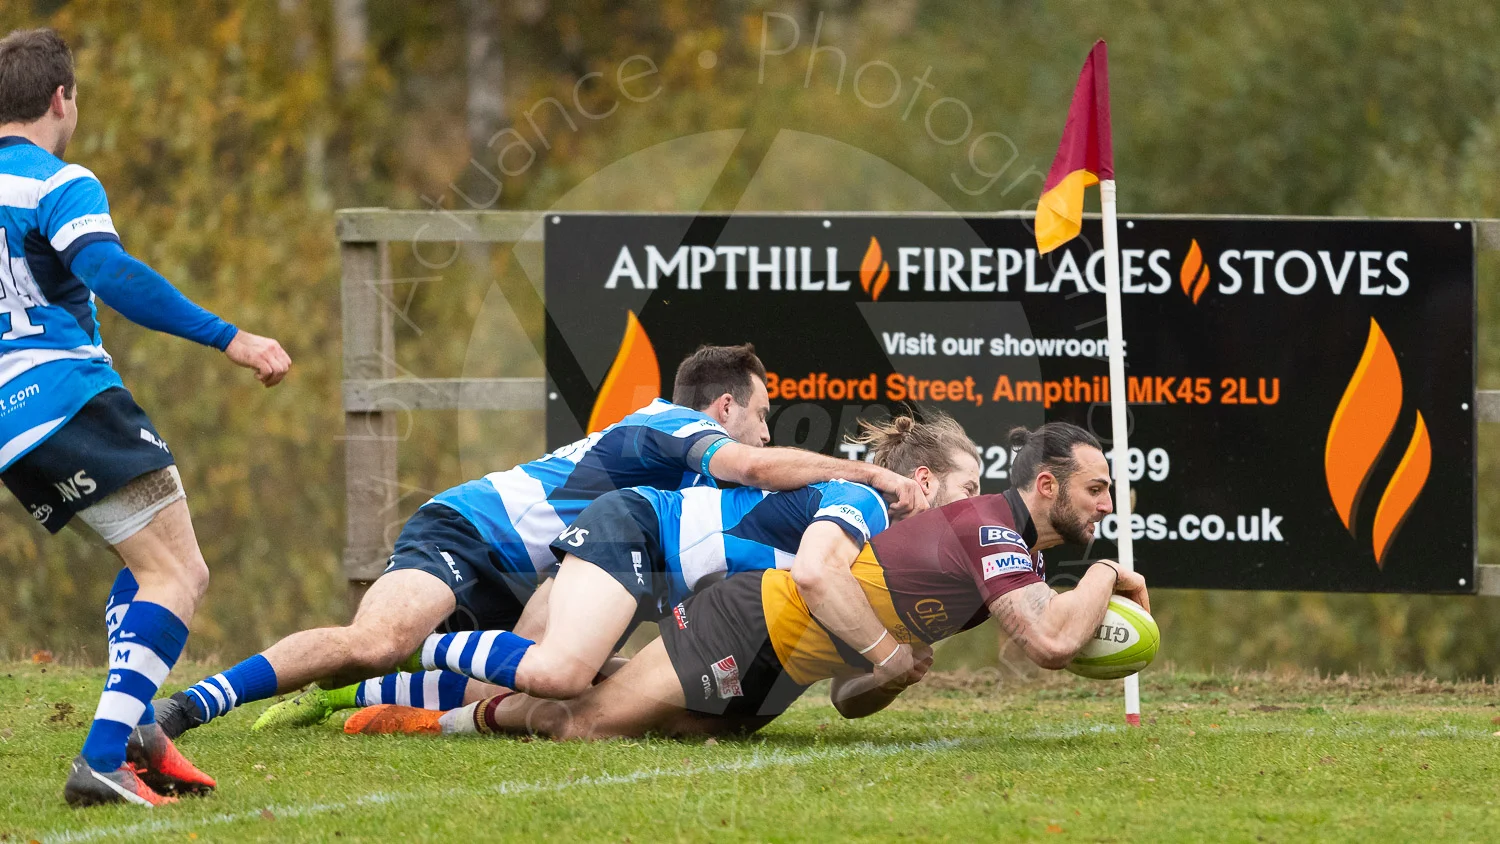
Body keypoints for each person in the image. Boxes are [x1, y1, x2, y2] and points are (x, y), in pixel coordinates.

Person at [160, 344, 927, 737]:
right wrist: (871, 476)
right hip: (470, 531)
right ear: (724, 406)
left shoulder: (698, 493)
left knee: (531, 683)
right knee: (380, 637)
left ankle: (343, 702)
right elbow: (759, 463)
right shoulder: (669, 423)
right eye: (762, 412)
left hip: (539, 573)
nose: (766, 429)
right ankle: (189, 707)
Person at [350, 421, 1149, 741]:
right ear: (1046, 487)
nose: (1107, 506)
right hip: (749, 620)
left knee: (591, 704)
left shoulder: (1011, 562)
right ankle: (418, 687)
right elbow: (1049, 641)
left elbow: (849, 697)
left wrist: (892, 674)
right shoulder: (984, 527)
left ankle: (436, 708)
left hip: (785, 680)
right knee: (578, 720)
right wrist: (1110, 573)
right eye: (1096, 490)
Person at [0, 29, 292, 807]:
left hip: (10, 427)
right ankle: (103, 756)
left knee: (150, 569)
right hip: (69, 395)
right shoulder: (56, 181)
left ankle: (140, 735)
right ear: (61, 98)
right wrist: (231, 337)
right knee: (178, 573)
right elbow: (109, 272)